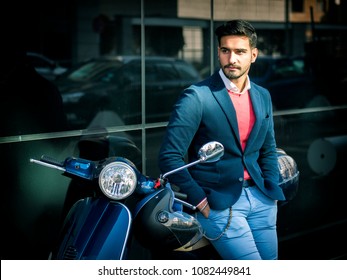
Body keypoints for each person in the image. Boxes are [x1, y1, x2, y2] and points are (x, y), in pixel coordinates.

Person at [158, 19, 286, 260]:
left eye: (240, 52)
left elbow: (268, 149)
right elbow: (169, 157)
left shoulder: (262, 95)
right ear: (218, 52)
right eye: (225, 51)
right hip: (220, 205)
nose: (232, 59)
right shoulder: (197, 96)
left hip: (262, 199)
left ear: (254, 55)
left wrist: (270, 189)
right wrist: (199, 199)